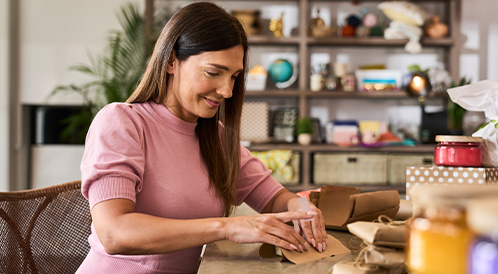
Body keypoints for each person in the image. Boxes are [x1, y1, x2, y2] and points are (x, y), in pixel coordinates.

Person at [76, 2, 327, 273]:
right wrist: (227, 227)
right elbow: (114, 233)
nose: (227, 90)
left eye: (234, 77)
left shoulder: (216, 138)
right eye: (213, 73)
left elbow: (274, 197)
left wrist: (300, 206)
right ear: (172, 61)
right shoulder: (122, 123)